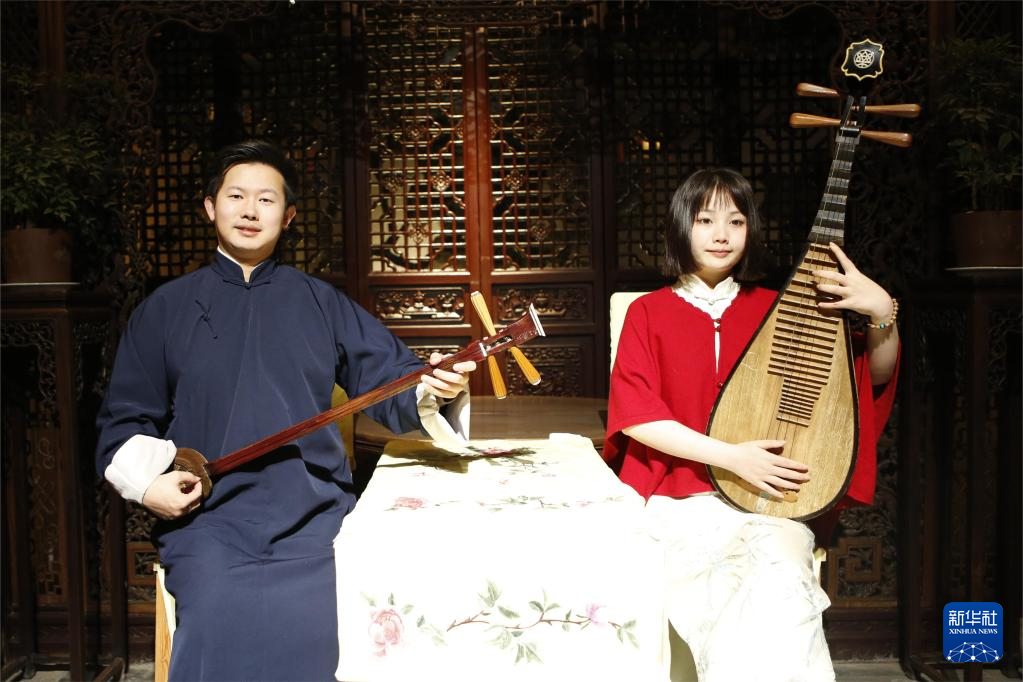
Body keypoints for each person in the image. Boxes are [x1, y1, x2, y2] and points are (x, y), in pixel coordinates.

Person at [95, 140, 476, 681]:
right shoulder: (164, 310)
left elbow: (390, 381)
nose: (250, 210)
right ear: (210, 207)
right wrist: (148, 484)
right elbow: (126, 419)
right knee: (217, 619)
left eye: (267, 199)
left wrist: (434, 386)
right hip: (209, 520)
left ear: (289, 215)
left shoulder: (321, 302)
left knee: (336, 628)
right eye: (236, 196)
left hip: (315, 516)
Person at [603, 168, 899, 681]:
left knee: (780, 578)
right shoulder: (648, 313)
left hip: (770, 500)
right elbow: (638, 417)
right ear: (681, 226)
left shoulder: (781, 311)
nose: (721, 234)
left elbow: (863, 381)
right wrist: (733, 457)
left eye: (736, 221)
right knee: (720, 585)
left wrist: (881, 313)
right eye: (705, 220)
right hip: (678, 497)